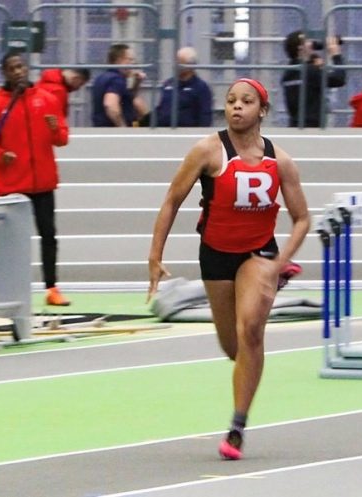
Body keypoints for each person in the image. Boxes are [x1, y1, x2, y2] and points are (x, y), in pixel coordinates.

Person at [147, 78, 310, 460]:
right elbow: (171, 201)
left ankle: (237, 426)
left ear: (262, 110)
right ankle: (247, 376)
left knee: (251, 327)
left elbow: (302, 218)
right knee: (234, 347)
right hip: (217, 254)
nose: (237, 107)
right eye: (232, 101)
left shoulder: (279, 160)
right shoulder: (207, 150)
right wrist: (155, 256)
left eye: (247, 101)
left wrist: (280, 262)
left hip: (260, 254)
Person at [0, 51, 71, 306]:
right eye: (12, 68)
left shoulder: (46, 99)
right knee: (10, 242)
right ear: (5, 73)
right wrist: (0, 155)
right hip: (13, 185)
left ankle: (52, 287)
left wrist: (54, 128)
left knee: (48, 235)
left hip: (42, 182)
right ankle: (6, 290)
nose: (18, 72)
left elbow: (62, 139)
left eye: (21, 66)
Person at [281, 31, 346, 128]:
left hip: (295, 123)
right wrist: (336, 56)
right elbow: (339, 79)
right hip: (313, 125)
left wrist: (315, 66)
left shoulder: (288, 73)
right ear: (300, 48)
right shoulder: (309, 71)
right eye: (307, 41)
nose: (312, 43)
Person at [153, 47, 213, 127]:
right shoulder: (168, 84)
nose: (175, 65)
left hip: (186, 132)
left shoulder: (201, 88)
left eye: (179, 62)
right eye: (176, 61)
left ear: (190, 66)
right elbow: (161, 108)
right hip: (163, 131)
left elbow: (205, 115)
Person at [91, 43, 148, 127]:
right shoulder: (116, 80)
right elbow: (110, 105)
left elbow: (128, 99)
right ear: (119, 60)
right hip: (113, 130)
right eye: (130, 60)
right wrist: (122, 129)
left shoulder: (102, 77)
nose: (133, 63)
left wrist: (137, 82)